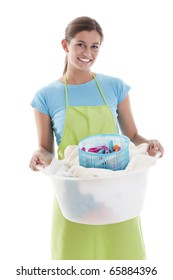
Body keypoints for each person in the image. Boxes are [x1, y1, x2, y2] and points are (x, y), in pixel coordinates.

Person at [29, 16, 164, 260]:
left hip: (116, 191)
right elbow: (46, 149)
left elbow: (132, 135)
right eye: (80, 44)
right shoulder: (46, 96)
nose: (87, 52)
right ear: (65, 45)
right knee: (73, 262)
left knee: (123, 260)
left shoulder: (114, 87)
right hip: (72, 193)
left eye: (95, 46)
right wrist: (39, 155)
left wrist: (149, 145)